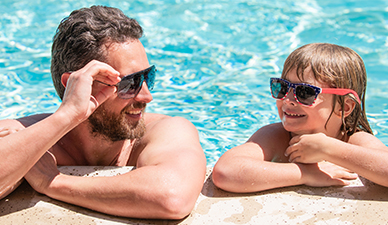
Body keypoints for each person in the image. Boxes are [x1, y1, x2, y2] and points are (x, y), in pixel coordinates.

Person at [0, 5, 206, 219]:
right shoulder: (27, 136)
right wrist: (67, 115)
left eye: (147, 78)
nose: (146, 97)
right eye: (130, 83)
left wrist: (54, 182)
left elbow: (171, 197)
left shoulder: (166, 130)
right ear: (75, 86)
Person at [212, 43, 388, 193]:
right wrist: (306, 173)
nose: (288, 100)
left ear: (344, 107)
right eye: (282, 87)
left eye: (304, 93)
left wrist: (329, 149)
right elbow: (226, 172)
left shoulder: (352, 139)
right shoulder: (277, 137)